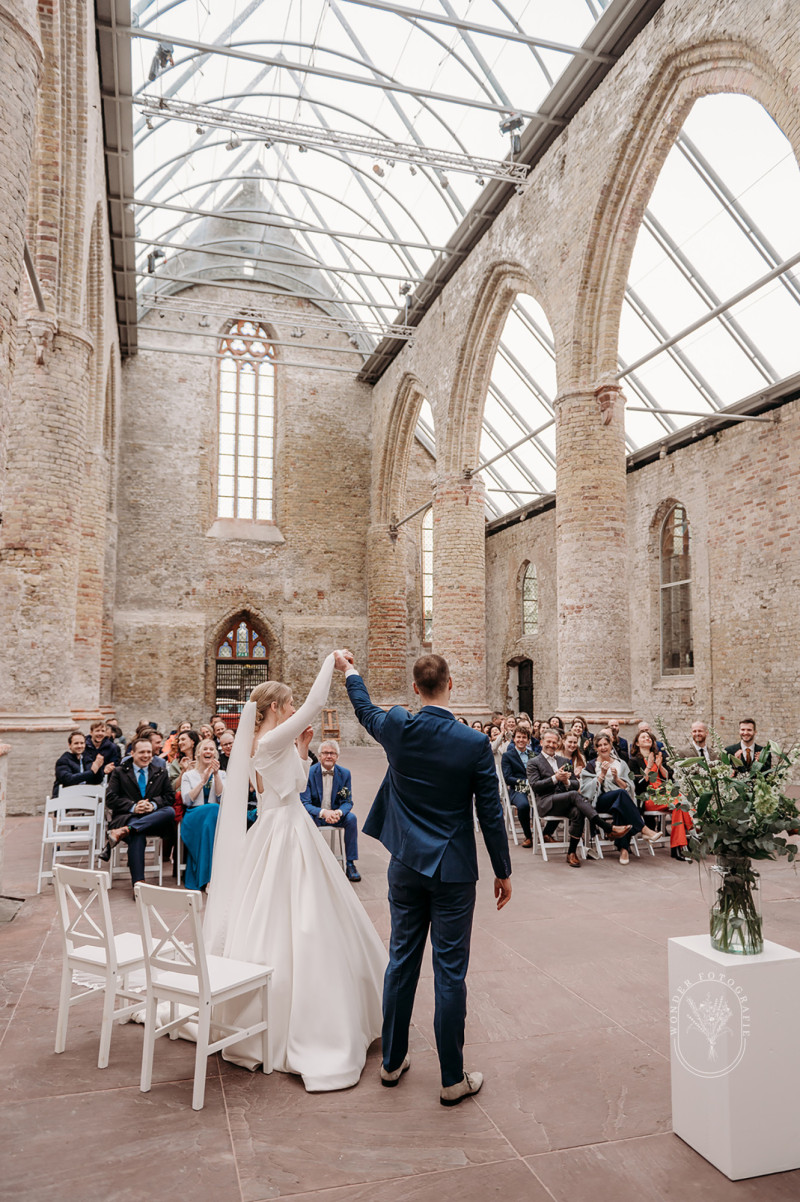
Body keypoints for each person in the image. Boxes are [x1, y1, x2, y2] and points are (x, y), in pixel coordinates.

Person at [204, 653, 387, 1092]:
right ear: (274, 707)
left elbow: (297, 785)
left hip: (289, 823)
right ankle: (297, 1022)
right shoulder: (268, 739)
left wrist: (303, 750)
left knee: (303, 907)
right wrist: (331, 661)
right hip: (283, 831)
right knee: (291, 913)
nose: (292, 710)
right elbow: (315, 704)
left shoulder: (273, 742)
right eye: (287, 704)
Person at [340, 649, 512, 1107]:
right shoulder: (473, 743)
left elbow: (364, 709)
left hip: (406, 864)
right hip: (453, 870)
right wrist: (502, 870)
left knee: (401, 961)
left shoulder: (399, 726)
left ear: (416, 688)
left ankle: (392, 1062)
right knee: (449, 973)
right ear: (450, 684)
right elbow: (490, 813)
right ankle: (452, 1079)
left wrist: (350, 671)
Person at [528, 730, 634, 867]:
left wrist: (566, 781)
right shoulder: (533, 762)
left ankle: (571, 853)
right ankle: (607, 827)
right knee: (574, 795)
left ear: (558, 744)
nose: (551, 744)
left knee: (578, 811)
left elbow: (576, 784)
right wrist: (555, 778)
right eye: (548, 741)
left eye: (554, 742)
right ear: (541, 742)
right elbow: (535, 786)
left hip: (565, 802)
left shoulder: (563, 761)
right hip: (546, 802)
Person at [100, 735, 176, 891]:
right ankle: (139, 885)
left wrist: (152, 805)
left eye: (149, 752)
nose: (146, 755)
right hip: (127, 817)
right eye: (142, 752)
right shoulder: (119, 772)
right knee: (137, 834)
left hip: (153, 820)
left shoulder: (160, 772)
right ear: (132, 753)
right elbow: (111, 799)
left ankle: (125, 831)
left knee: (169, 811)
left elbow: (169, 797)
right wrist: (133, 807)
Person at [580, 734, 661, 865]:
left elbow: (629, 787)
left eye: (605, 744)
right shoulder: (591, 765)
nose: (603, 747)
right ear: (596, 748)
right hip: (600, 801)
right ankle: (643, 828)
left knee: (621, 804)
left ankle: (623, 849)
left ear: (611, 745)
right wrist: (602, 775)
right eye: (599, 745)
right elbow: (586, 791)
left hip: (620, 800)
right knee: (621, 796)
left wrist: (617, 778)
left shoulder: (621, 763)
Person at [300, 739, 361, 881]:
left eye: (332, 753)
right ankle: (312, 863)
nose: (329, 756)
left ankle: (350, 864)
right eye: (325, 753)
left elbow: (347, 801)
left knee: (351, 819)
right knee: (305, 819)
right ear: (319, 756)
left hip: (335, 815)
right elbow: (305, 803)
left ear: (337, 757)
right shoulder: (309, 773)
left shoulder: (344, 774)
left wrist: (338, 813)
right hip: (316, 815)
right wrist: (323, 813)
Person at [629, 729, 691, 861]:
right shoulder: (634, 761)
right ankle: (692, 829)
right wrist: (649, 766)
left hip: (665, 794)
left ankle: (677, 847)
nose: (647, 739)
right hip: (649, 797)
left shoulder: (659, 757)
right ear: (637, 743)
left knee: (679, 807)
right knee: (680, 804)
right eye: (643, 737)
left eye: (649, 737)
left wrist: (659, 766)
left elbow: (669, 778)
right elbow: (638, 785)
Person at [179, 737, 225, 890]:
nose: (208, 751)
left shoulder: (222, 774)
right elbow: (187, 800)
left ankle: (209, 878)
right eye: (205, 749)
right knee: (213, 809)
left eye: (211, 749)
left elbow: (222, 798)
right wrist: (203, 781)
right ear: (198, 753)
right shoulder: (188, 775)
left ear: (215, 754)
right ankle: (210, 879)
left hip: (214, 817)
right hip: (194, 815)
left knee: (214, 810)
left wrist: (215, 775)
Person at [502, 727, 535, 847]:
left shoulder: (533, 755)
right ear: (514, 739)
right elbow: (508, 778)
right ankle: (528, 836)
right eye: (518, 737)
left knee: (554, 799)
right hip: (517, 787)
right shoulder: (507, 756)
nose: (521, 740)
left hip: (535, 787)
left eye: (524, 737)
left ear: (528, 740)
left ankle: (546, 833)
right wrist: (525, 782)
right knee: (523, 805)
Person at [53, 730, 104, 795]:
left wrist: (98, 768)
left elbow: (96, 781)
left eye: (82, 743)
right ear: (69, 745)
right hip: (65, 797)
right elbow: (68, 779)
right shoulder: (63, 760)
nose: (79, 746)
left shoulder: (87, 759)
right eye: (76, 743)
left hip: (84, 795)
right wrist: (92, 772)